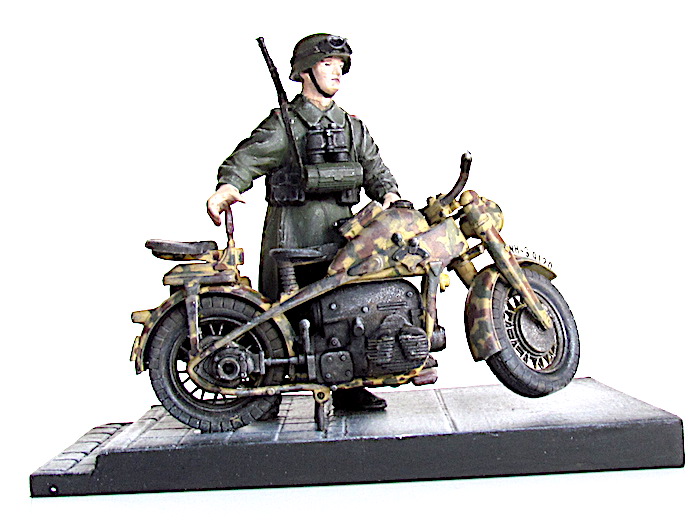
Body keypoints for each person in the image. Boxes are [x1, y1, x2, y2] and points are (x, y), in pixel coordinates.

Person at [206, 34, 400, 412]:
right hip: (293, 230)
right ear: (305, 72)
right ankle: (264, 390)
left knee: (345, 308)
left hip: (343, 232)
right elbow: (249, 157)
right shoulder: (286, 124)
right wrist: (228, 187)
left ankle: (349, 385)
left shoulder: (352, 126)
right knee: (283, 313)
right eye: (327, 64)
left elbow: (376, 169)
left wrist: (390, 195)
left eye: (340, 66)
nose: (337, 72)